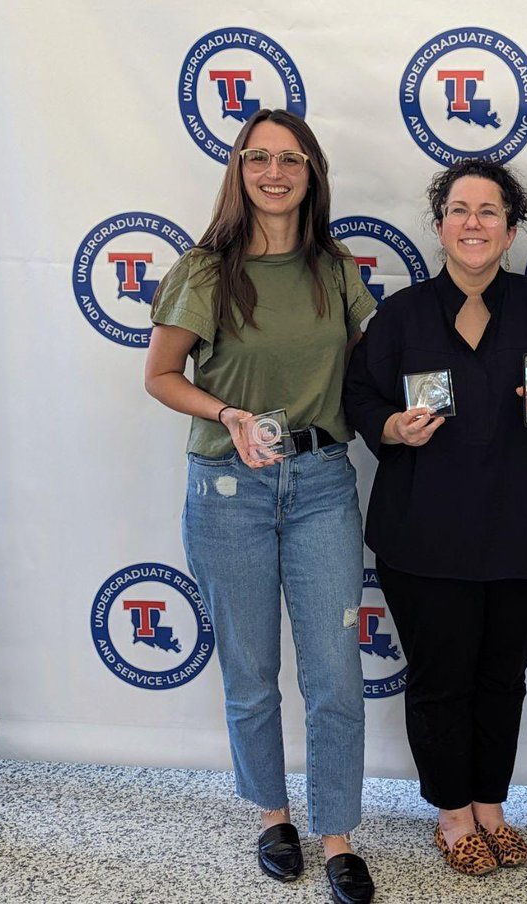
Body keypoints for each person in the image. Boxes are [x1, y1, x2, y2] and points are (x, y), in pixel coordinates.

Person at [145, 108, 376, 904]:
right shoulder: (205, 271)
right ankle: (273, 815)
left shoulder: (335, 268)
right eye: (259, 159)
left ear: (311, 174)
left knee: (335, 677)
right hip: (229, 492)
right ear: (239, 171)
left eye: (292, 160)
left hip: (320, 486)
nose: (275, 173)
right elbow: (163, 376)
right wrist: (228, 416)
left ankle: (338, 832)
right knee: (249, 672)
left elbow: (376, 362)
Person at [342, 159, 527, 876]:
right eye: (459, 210)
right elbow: (360, 398)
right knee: (441, 678)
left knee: (501, 678)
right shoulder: (402, 315)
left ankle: (492, 804)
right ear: (440, 223)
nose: (473, 223)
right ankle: (453, 813)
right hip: (425, 536)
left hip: (521, 528)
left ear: (511, 230)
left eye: (489, 212)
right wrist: (392, 427)